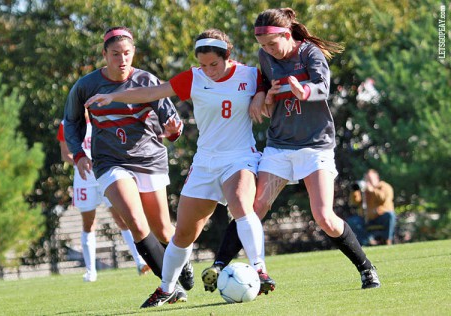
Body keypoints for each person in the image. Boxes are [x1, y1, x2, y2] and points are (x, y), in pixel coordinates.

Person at [85, 28, 276, 309]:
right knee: (182, 234)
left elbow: (271, 84)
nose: (208, 70)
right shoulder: (193, 77)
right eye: (203, 64)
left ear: (228, 56)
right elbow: (152, 92)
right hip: (204, 163)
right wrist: (113, 97)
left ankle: (259, 269)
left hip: (239, 158)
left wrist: (261, 93)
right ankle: (166, 289)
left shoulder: (250, 75)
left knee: (240, 204)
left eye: (214, 64)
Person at [202, 8, 381, 291]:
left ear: (287, 35)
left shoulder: (310, 54)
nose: (268, 51)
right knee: (253, 208)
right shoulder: (266, 57)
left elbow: (323, 87)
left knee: (323, 217)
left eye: (272, 44)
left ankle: (366, 268)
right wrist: (261, 95)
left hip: (314, 146)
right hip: (279, 147)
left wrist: (304, 91)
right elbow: (262, 79)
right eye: (263, 46)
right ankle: (219, 265)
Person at [63, 26, 194, 299]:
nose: (121, 60)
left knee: (163, 229)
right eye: (114, 54)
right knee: (134, 220)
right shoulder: (86, 86)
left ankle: (180, 261)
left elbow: (173, 126)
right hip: (109, 162)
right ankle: (170, 289)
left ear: (133, 52)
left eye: (126, 53)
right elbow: (71, 123)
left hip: (149, 159)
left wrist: (173, 130)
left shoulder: (146, 81)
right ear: (104, 55)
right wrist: (78, 154)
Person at [57, 116, 150, 281]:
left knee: (122, 218)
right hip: (84, 178)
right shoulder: (67, 124)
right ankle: (91, 271)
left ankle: (140, 261)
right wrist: (81, 161)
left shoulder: (102, 116)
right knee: (88, 223)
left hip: (106, 174)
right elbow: (65, 154)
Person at [348, 169, 396, 246]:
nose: (368, 181)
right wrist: (355, 191)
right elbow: (354, 203)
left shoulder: (384, 186)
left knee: (390, 215)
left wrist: (372, 190)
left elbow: (383, 198)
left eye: (370, 179)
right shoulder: (364, 189)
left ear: (377, 178)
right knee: (352, 221)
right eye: (366, 179)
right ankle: (366, 242)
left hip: (381, 217)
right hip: (366, 218)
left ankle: (387, 240)